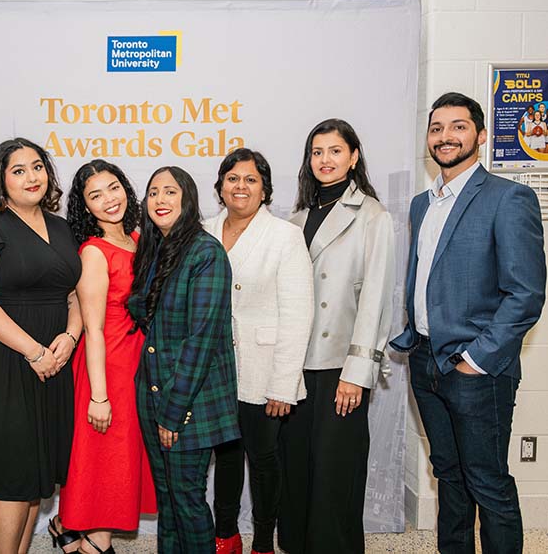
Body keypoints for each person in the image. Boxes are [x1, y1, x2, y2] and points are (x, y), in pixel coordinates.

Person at [390, 92, 546, 554]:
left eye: (457, 126)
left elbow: (526, 294)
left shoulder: (508, 198)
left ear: (479, 135)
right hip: (424, 360)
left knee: (488, 483)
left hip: (476, 369)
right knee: (448, 478)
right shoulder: (423, 203)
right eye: (436, 128)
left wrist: (476, 360)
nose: (445, 136)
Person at [0, 138, 82, 554]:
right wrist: (34, 351)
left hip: (56, 361)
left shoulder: (62, 227)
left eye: (38, 167)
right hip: (7, 360)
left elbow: (74, 295)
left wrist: (69, 336)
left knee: (33, 474)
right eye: (18, 170)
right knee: (12, 473)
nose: (32, 177)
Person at [277, 119, 395, 554]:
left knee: (334, 471)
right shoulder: (296, 218)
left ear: (353, 157)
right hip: (295, 365)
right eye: (317, 152)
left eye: (334, 151)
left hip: (339, 365)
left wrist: (357, 372)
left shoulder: (372, 215)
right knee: (297, 469)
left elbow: (377, 298)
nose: (325, 160)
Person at [204, 148, 314, 554]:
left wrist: (284, 385)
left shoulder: (285, 236)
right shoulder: (203, 231)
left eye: (251, 179)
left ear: (264, 189)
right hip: (215, 371)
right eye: (233, 178)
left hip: (265, 370)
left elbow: (298, 313)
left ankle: (264, 542)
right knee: (226, 456)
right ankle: (225, 535)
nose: (241, 186)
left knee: (263, 458)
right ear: (220, 187)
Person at [128, 166, 240, 554]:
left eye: (170, 192)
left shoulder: (206, 253)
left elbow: (201, 340)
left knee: (187, 500)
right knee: (168, 498)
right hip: (152, 391)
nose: (160, 199)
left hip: (189, 400)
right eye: (153, 192)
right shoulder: (156, 249)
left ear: (187, 199)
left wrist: (172, 412)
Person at [51, 160, 156, 554]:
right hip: (106, 363)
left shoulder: (139, 235)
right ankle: (96, 543)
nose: (109, 200)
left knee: (123, 454)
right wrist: (98, 395)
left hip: (136, 360)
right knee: (105, 452)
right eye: (95, 195)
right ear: (85, 206)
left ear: (126, 189)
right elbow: (92, 329)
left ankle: (68, 526)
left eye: (113, 188)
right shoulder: (94, 252)